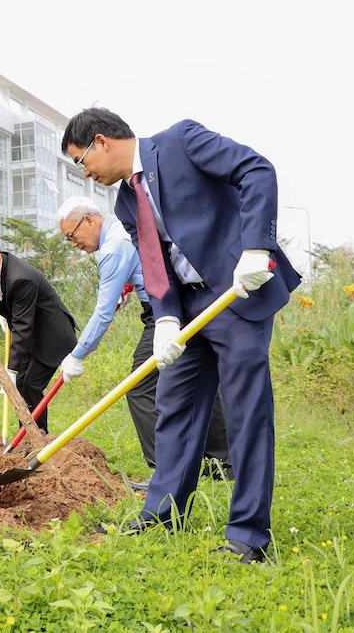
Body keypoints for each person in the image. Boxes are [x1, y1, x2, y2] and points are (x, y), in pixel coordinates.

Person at [61, 108, 299, 564]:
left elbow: (257, 170)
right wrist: (166, 316)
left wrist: (256, 247)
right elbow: (155, 262)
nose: (85, 172)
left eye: (81, 160)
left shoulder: (181, 142)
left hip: (234, 293)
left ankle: (247, 536)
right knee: (175, 409)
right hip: (188, 309)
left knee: (245, 415)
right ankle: (162, 516)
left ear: (101, 141)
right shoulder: (125, 203)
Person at [56, 196, 231, 487]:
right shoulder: (120, 230)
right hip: (188, 303)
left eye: (71, 236)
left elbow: (102, 313)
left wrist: (78, 354)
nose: (73, 244)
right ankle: (223, 463)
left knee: (140, 387)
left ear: (88, 220)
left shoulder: (113, 247)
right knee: (202, 380)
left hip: (165, 313)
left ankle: (167, 473)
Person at [0, 232, 77, 433]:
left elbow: (22, 327)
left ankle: (39, 437)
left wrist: (11, 370)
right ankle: (26, 436)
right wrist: (5, 314)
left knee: (30, 385)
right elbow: (13, 308)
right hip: (31, 336)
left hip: (52, 337)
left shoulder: (20, 278)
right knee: (20, 386)